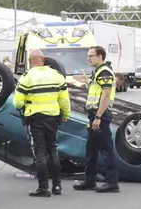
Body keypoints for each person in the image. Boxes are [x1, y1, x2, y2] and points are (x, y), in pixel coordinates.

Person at [13, 49, 70, 197]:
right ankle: (57, 186)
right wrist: (66, 114)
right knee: (53, 149)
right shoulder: (56, 75)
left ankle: (43, 187)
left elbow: (18, 103)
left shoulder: (27, 77)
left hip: (35, 118)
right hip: (53, 118)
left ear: (30, 61)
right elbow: (64, 99)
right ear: (43, 59)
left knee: (39, 151)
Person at [74, 46, 120, 193]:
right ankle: (89, 181)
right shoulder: (98, 72)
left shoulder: (104, 72)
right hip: (94, 115)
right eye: (88, 56)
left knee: (106, 151)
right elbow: (97, 91)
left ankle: (112, 183)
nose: (88, 58)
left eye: (91, 56)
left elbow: (105, 96)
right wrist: (87, 81)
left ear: (100, 57)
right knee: (91, 151)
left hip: (101, 116)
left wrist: (98, 117)